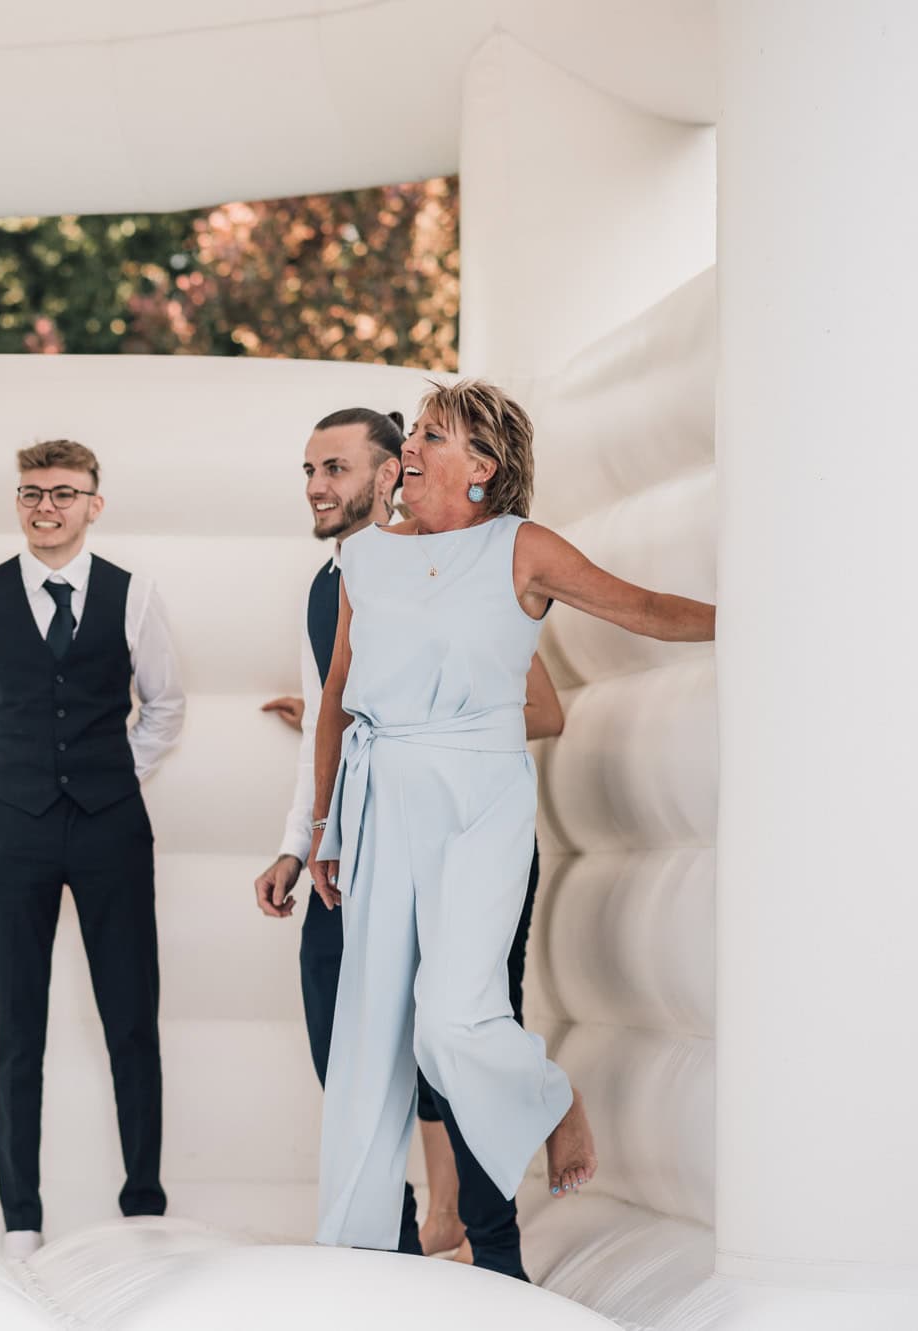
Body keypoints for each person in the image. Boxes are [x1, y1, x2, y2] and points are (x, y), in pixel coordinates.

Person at [307, 380, 714, 1257]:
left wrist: (762, 622)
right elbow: (339, 694)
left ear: (483, 467)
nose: (408, 447)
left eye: (431, 436)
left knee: (452, 1015)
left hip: (479, 796)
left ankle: (550, 1097)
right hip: (381, 796)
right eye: (411, 433)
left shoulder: (520, 548)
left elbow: (641, 607)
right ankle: (356, 1260)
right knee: (370, 1037)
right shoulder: (365, 558)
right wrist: (322, 825)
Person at [255, 407, 562, 1277]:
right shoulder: (337, 579)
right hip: (350, 841)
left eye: (338, 469)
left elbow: (539, 706)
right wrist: (299, 839)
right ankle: (386, 1256)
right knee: (344, 1043)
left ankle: (487, 1253)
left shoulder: (472, 572)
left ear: (393, 472)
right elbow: (332, 716)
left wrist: (424, 732)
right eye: (310, 470)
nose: (319, 487)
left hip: (464, 830)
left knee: (452, 1040)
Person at [0, 439, 185, 1260]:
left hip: (114, 825)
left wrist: (116, 777)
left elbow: (166, 703)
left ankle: (144, 1207)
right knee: (18, 1026)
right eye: (31, 492)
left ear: (93, 503)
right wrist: (20, 788)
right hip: (16, 828)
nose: (45, 506)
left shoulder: (133, 591)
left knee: (131, 1019)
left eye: (63, 492)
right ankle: (21, 1220)